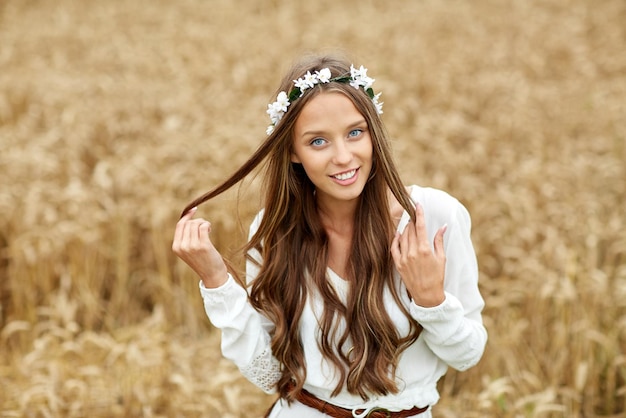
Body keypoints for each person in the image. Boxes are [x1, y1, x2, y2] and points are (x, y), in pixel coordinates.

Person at [172, 53, 487, 418]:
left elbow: (467, 355)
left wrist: (430, 299)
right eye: (318, 142)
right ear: (292, 152)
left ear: (374, 133)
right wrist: (215, 279)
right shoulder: (275, 231)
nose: (343, 156)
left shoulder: (433, 218)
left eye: (355, 133)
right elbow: (269, 373)